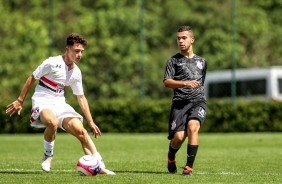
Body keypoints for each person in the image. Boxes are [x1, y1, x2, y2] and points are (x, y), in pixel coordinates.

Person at [5, 33, 115, 175]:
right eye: (76, 51)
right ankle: (48, 155)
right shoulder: (52, 62)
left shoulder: (76, 72)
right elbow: (32, 77)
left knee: (81, 132)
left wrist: (91, 121)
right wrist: (20, 100)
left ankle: (100, 166)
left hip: (59, 103)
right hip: (42, 100)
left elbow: (81, 98)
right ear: (67, 49)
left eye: (81, 51)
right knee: (52, 122)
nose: (79, 54)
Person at [163, 26, 207, 176]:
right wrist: (185, 83)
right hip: (179, 103)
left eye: (184, 38)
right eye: (178, 38)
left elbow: (202, 82)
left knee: (193, 128)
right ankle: (171, 157)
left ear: (192, 40)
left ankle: (188, 167)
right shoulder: (173, 61)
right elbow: (167, 82)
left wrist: (194, 89)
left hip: (198, 101)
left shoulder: (202, 61)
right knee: (179, 138)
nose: (180, 41)